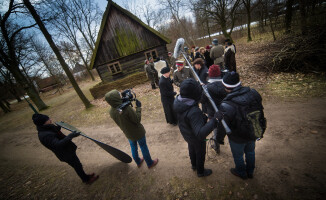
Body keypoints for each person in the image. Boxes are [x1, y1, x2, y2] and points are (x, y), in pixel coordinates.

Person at [219, 72, 264, 179]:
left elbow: (223, 125)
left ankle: (241, 173)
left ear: (226, 87)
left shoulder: (226, 105)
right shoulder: (254, 93)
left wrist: (219, 138)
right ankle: (250, 171)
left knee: (238, 155)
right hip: (253, 130)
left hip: (237, 137)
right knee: (250, 151)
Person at [173, 78, 222, 177]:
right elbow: (200, 134)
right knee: (200, 152)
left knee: (191, 147)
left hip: (187, 133)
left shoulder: (178, 100)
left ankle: (194, 165)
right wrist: (214, 120)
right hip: (196, 137)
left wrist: (200, 86)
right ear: (194, 94)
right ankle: (200, 171)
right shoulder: (194, 111)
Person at [32, 114, 99, 184]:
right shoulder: (45, 135)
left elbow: (54, 133)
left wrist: (59, 126)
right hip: (65, 154)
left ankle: (85, 176)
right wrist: (70, 136)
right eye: (48, 119)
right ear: (43, 123)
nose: (50, 120)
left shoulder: (46, 128)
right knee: (77, 166)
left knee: (77, 165)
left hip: (67, 150)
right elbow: (58, 144)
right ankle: (86, 180)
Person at [105, 90, 159, 169]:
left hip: (128, 133)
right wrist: (138, 108)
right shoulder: (126, 109)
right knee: (143, 146)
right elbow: (137, 119)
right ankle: (150, 163)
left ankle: (138, 161)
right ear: (116, 98)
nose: (121, 96)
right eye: (119, 95)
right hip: (138, 132)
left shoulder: (111, 111)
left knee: (133, 147)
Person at [201, 65, 227, 154]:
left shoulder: (207, 88)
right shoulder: (226, 86)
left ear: (210, 74)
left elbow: (202, 100)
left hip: (212, 113)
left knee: (215, 129)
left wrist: (203, 90)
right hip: (225, 111)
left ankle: (216, 146)